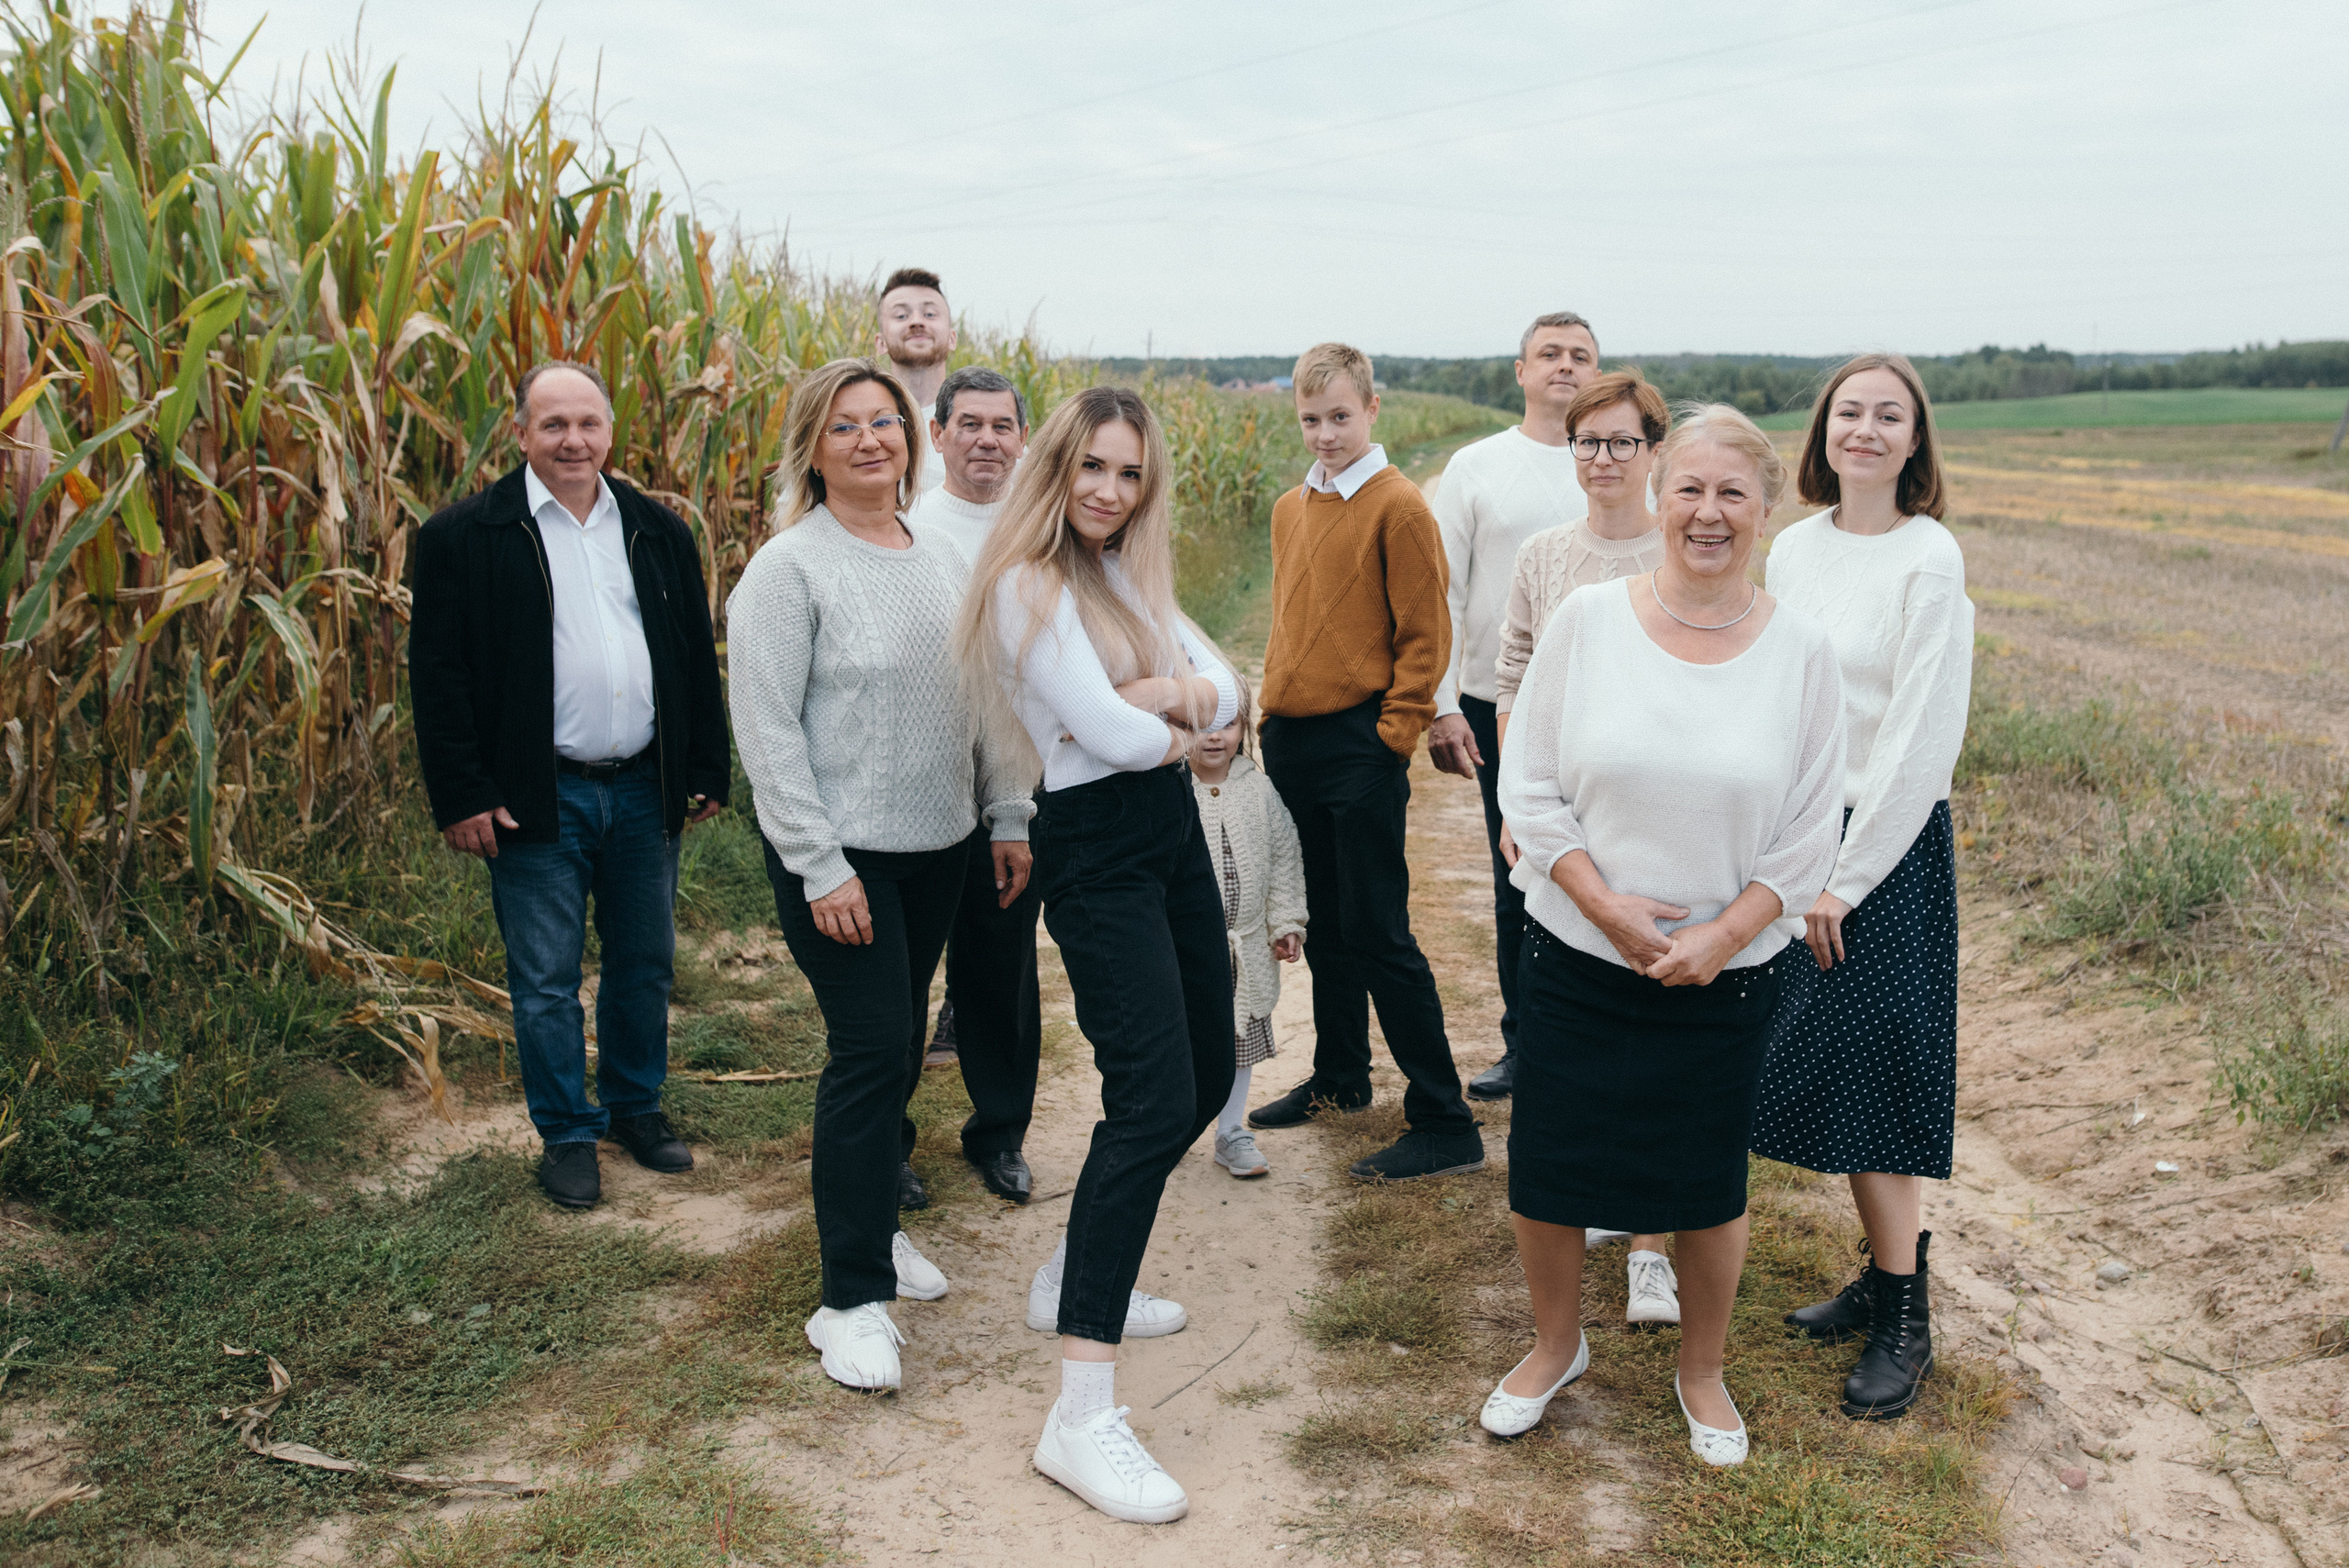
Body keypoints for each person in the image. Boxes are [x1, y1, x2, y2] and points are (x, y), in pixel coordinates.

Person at [1489, 404, 1844, 1466]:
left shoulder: (1801, 654)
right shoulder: (1587, 622)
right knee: (1548, 1160)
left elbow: (1805, 826)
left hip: (1724, 973)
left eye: (1732, 493)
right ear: (1656, 496)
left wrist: (1722, 936)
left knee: (1704, 1178)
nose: (1706, 512)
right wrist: (1604, 905)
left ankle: (1701, 1367)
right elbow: (1533, 785)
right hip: (1576, 946)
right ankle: (1556, 1345)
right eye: (1687, 488)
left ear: (1766, 509)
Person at [957, 384, 1238, 1524]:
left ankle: (1064, 1271)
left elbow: (1230, 681)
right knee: (1150, 1091)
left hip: (1165, 829)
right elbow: (1116, 736)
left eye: (1129, 474)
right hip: (1095, 846)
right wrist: (1182, 720)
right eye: (1092, 468)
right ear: (1053, 466)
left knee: (1210, 1065)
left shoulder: (1125, 569)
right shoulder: (1025, 582)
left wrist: (1165, 695)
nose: (1110, 493)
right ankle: (1079, 1410)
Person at [727, 358, 1033, 1392]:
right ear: (812, 449)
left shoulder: (937, 556)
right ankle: (848, 1295)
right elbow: (767, 731)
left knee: (901, 1041)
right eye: (845, 427)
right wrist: (819, 865)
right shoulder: (787, 569)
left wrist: (1006, 812)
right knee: (867, 1050)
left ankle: (870, 1220)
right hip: (843, 858)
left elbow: (983, 699)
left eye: (885, 424)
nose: (871, 440)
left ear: (910, 436)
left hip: (941, 844)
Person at [410, 361, 729, 1212]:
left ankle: (635, 1107)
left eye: (587, 422)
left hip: (639, 786)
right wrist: (463, 794)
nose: (572, 440)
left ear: (611, 430)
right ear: (519, 434)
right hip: (534, 794)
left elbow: (694, 655)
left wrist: (704, 765)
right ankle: (567, 1133)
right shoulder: (464, 536)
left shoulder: (657, 530)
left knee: (644, 962)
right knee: (547, 976)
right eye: (552, 424)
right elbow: (437, 678)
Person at [1753, 353, 1973, 1423]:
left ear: (1914, 439)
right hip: (1796, 838)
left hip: (1877, 853)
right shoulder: (1792, 549)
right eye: (1851, 412)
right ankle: (1875, 1274)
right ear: (1825, 431)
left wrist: (1841, 879)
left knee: (1881, 1077)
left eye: (1890, 415)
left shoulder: (1929, 560)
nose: (1868, 430)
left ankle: (1904, 1318)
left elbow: (1917, 742)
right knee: (1823, 1065)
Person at [1250, 342, 1484, 1184]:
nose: (1324, 434)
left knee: (1381, 931)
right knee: (1329, 931)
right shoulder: (1290, 508)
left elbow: (1426, 634)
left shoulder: (1399, 507)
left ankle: (1443, 1117)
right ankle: (1341, 1077)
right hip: (1295, 742)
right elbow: (1289, 619)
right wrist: (1272, 712)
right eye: (1310, 420)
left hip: (1360, 745)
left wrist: (1393, 732)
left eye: (1340, 416)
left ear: (1371, 409)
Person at [1488, 369, 1676, 1321]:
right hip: (1561, 818)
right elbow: (1513, 670)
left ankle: (1654, 1243)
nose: (1602, 458)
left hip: (1655, 817)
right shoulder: (1545, 555)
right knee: (1576, 1015)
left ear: (1653, 450)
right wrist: (1518, 799)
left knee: (1656, 1023)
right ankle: (1602, 1194)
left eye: (1621, 441)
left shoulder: (1679, 547)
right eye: (1586, 441)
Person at [1426, 312, 1602, 1104]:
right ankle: (1524, 1043)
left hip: (1608, 700)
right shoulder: (1476, 466)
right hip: (1499, 695)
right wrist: (1441, 703)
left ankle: (1598, 1032)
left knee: (1608, 867)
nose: (1565, 367)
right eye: (1550, 355)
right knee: (1519, 871)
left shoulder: (1613, 461)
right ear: (1522, 371)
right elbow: (1444, 592)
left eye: (1581, 357)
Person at [904, 366, 1042, 1204]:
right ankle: (889, 1142)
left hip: (1026, 784)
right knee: (905, 978)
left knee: (1000, 968)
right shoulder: (912, 527)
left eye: (1003, 426)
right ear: (938, 434)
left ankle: (999, 1134)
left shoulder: (1043, 524)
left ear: (1023, 439)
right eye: (970, 424)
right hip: (931, 779)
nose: (987, 439)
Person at [1186, 673, 1308, 1180]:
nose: (1215, 736)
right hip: (1189, 947)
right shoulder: (1171, 788)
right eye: (1201, 723)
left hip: (1248, 949)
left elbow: (1284, 856)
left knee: (1241, 1042)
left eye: (1228, 723)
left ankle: (1231, 1130)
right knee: (1187, 1038)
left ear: (1244, 726)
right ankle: (1169, 1126)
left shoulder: (1257, 788)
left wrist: (1286, 921)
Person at [876, 267, 956, 493]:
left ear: (952, 338)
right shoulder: (856, 424)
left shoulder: (986, 423)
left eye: (930, 314)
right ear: (880, 342)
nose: (916, 322)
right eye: (901, 316)